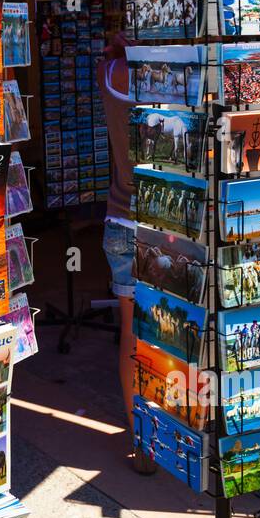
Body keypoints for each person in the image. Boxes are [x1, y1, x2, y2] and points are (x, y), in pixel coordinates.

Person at [98, 31, 154, 474]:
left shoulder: (110, 71)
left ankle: (141, 437)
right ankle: (166, 431)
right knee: (170, 335)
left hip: (120, 219)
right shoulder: (168, 78)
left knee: (132, 335)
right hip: (159, 226)